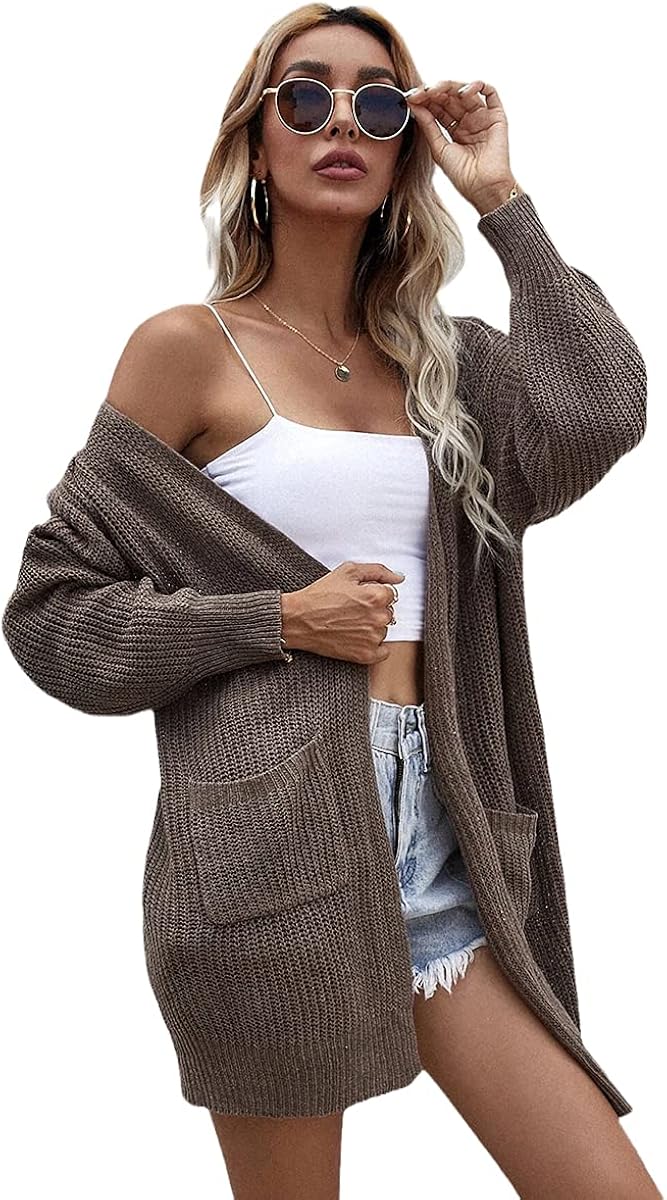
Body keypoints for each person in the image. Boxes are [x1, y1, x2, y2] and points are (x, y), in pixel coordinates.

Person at [3, 5, 659, 1199]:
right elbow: (53, 613)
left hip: (448, 830)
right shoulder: (187, 350)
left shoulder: (451, 364)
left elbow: (600, 409)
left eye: (378, 102)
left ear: (408, 150)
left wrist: (501, 200)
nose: (340, 122)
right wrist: (273, 619)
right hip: (269, 846)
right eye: (305, 97)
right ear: (257, 143)